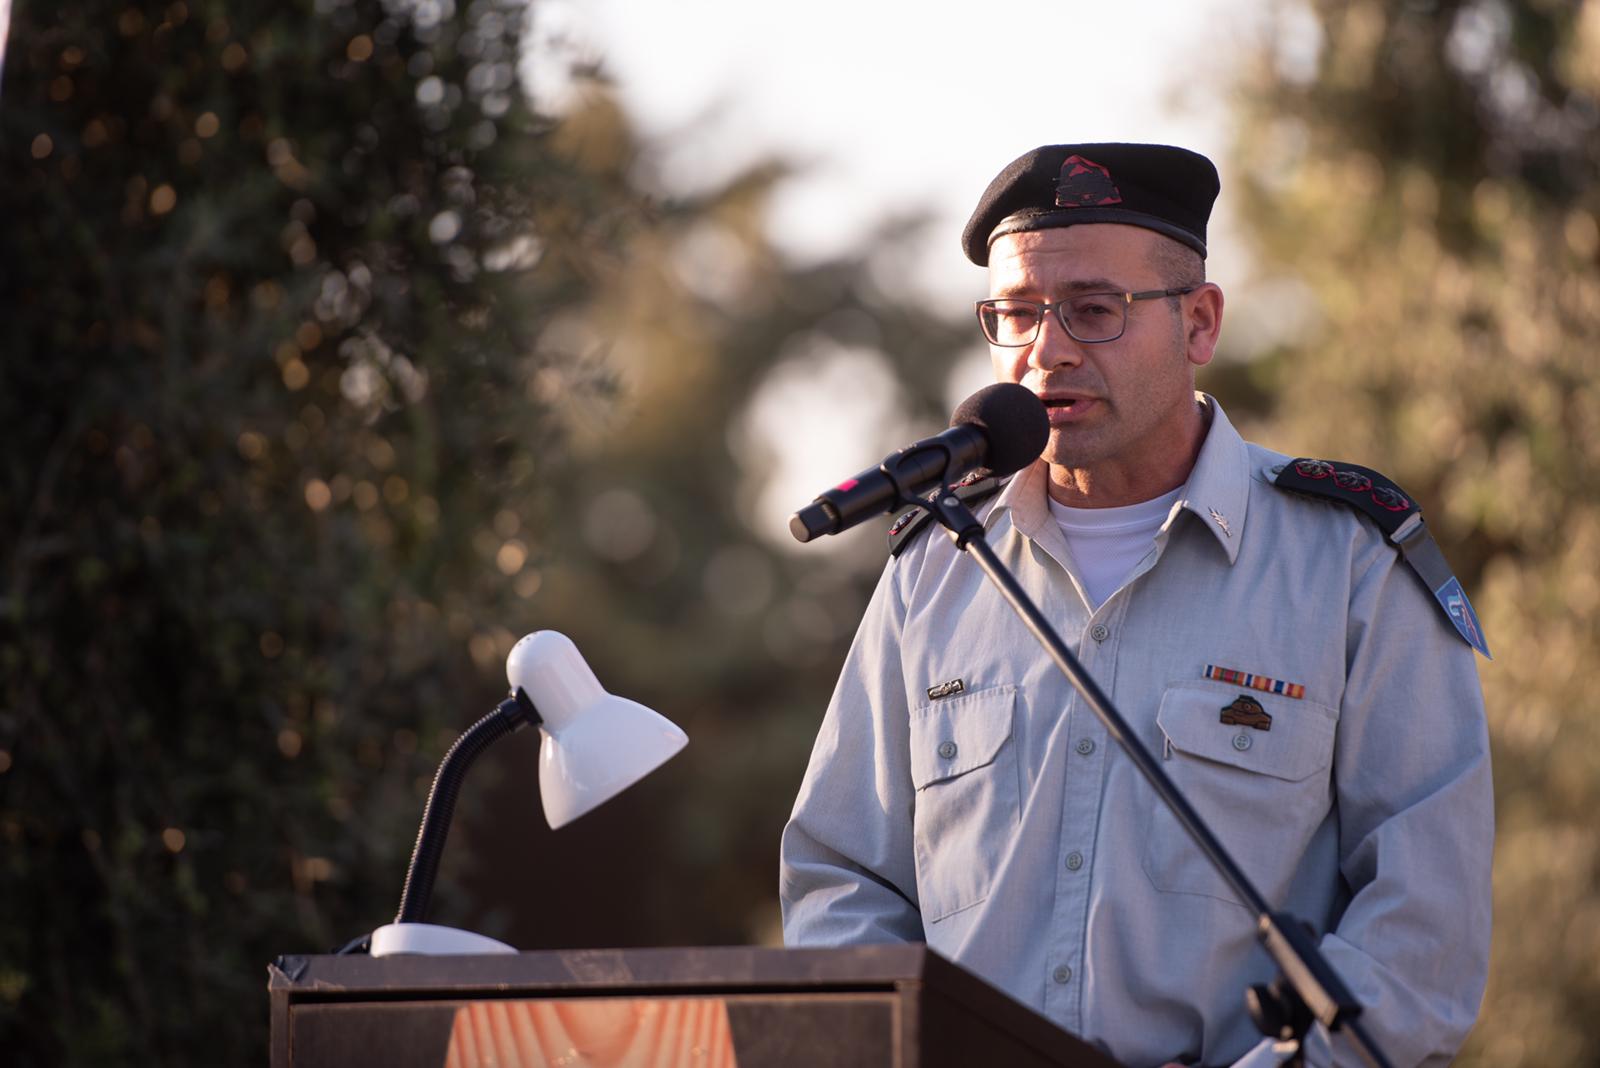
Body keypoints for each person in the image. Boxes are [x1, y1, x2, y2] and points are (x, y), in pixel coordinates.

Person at [779, 143, 1493, 1068]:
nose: (1049, 349)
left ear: (1198, 324)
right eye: (1017, 315)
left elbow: (1423, 922)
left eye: (1093, 310)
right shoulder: (936, 564)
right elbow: (843, 877)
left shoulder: (1348, 559)